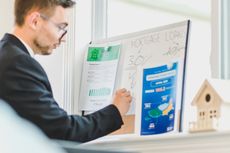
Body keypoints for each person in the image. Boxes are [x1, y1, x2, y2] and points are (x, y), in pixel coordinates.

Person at [0, 0, 132, 143]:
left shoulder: (8, 55)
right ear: (35, 21)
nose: (63, 39)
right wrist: (115, 111)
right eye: (60, 27)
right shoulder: (18, 63)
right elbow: (62, 130)